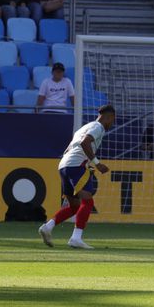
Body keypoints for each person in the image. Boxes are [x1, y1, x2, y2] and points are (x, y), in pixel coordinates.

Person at [38, 105, 116, 250]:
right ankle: (76, 238)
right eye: (113, 120)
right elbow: (84, 143)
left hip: (64, 165)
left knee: (74, 206)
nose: (112, 123)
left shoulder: (84, 127)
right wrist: (97, 164)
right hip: (76, 165)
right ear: (109, 117)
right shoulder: (98, 127)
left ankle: (47, 227)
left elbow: (70, 148)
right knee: (88, 201)